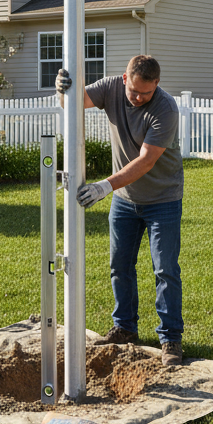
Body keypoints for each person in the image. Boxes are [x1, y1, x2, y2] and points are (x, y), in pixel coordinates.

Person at [55, 55, 185, 367]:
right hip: (125, 201)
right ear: (124, 79)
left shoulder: (165, 108)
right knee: (119, 266)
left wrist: (104, 186)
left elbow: (146, 160)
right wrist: (63, 92)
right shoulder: (111, 88)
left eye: (147, 93)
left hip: (163, 200)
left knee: (165, 269)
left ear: (157, 85)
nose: (139, 98)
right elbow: (74, 104)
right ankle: (125, 328)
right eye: (134, 92)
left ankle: (171, 340)